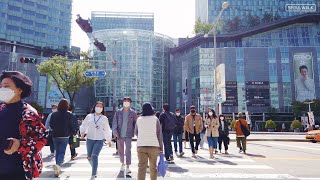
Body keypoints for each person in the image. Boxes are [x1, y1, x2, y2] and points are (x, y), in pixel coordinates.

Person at [0, 71, 48, 180]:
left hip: (17, 170)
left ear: (19, 90)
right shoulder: (1, 108)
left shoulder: (29, 113)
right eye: (1, 86)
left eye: (6, 86)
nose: (2, 89)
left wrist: (20, 145)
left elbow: (42, 138)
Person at [80, 101, 112, 179]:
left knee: (94, 156)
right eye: (97, 106)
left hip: (99, 140)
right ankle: (95, 168)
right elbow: (84, 125)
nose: (99, 108)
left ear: (103, 109)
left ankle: (93, 174)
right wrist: (82, 133)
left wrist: (109, 140)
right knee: (89, 157)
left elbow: (107, 129)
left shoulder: (104, 118)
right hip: (90, 139)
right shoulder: (89, 116)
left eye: (101, 107)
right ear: (94, 107)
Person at [135, 102, 163, 180]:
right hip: (153, 146)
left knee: (141, 168)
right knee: (153, 167)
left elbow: (136, 132)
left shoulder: (139, 119)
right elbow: (159, 134)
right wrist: (161, 147)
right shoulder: (155, 119)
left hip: (141, 146)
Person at [50, 98, 76, 177]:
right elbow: (72, 125)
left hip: (55, 135)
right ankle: (58, 165)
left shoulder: (54, 114)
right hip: (65, 135)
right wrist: (73, 133)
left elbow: (51, 124)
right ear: (67, 105)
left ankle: (57, 166)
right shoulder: (70, 114)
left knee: (57, 151)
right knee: (61, 152)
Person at [112, 97, 137, 174]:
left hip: (128, 134)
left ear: (130, 103)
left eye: (128, 101)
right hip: (119, 134)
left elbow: (135, 124)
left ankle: (128, 166)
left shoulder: (133, 113)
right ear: (123, 102)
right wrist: (115, 132)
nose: (126, 102)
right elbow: (114, 123)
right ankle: (122, 163)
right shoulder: (118, 112)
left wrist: (137, 133)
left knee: (128, 150)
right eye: (125, 101)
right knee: (121, 151)